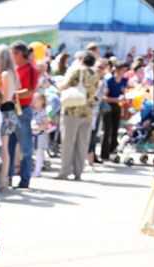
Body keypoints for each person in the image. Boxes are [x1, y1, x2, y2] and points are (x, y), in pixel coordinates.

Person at [57, 50, 99, 181]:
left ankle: (65, 171)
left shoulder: (77, 70)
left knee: (68, 142)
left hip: (72, 110)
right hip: (87, 112)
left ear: (81, 59)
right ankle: (78, 172)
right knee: (82, 143)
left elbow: (64, 86)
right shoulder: (95, 74)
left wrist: (58, 84)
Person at [9, 40, 39, 189]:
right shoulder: (15, 69)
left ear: (20, 54)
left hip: (23, 111)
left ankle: (24, 180)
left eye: (13, 53)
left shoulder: (31, 69)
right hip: (12, 110)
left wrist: (11, 94)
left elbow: (29, 90)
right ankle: (7, 179)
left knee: (25, 149)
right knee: (9, 147)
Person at [0, 44, 19, 191]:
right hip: (9, 110)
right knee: (5, 148)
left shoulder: (4, 74)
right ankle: (5, 179)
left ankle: (2, 180)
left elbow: (3, 95)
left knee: (2, 148)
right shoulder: (11, 73)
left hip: (3, 111)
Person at [101, 61, 128, 160]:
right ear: (117, 70)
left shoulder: (124, 80)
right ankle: (104, 154)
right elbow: (104, 96)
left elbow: (123, 91)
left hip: (118, 106)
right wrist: (115, 99)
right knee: (107, 130)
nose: (124, 72)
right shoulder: (110, 80)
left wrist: (124, 98)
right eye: (123, 70)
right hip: (108, 106)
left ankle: (112, 151)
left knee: (115, 130)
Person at [31, 91, 50, 177]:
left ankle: (37, 170)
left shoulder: (43, 112)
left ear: (42, 101)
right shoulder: (32, 111)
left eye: (36, 100)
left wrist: (38, 128)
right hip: (32, 135)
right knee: (33, 153)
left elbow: (46, 124)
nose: (34, 101)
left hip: (40, 135)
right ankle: (34, 169)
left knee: (39, 153)